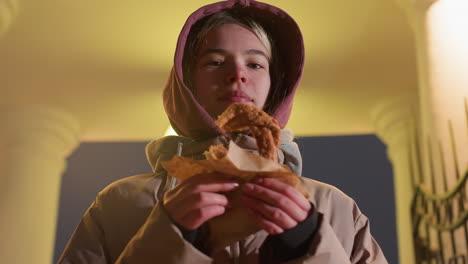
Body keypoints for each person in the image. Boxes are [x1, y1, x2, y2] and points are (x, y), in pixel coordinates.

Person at [58, 0, 388, 263]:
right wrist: (170, 237)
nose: (236, 75)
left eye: (255, 64)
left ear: (276, 84)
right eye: (215, 62)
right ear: (186, 80)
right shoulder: (120, 204)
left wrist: (305, 242)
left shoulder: (336, 209)